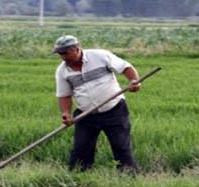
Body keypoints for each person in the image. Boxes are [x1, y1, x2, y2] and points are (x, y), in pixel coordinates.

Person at [54, 35, 141, 173]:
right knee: (81, 148)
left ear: (76, 48)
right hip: (86, 114)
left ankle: (128, 178)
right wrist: (66, 113)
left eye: (65, 52)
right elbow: (64, 95)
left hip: (114, 110)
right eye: (60, 53)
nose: (63, 57)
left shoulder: (100, 56)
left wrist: (134, 81)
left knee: (121, 146)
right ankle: (78, 178)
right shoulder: (62, 71)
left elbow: (125, 67)